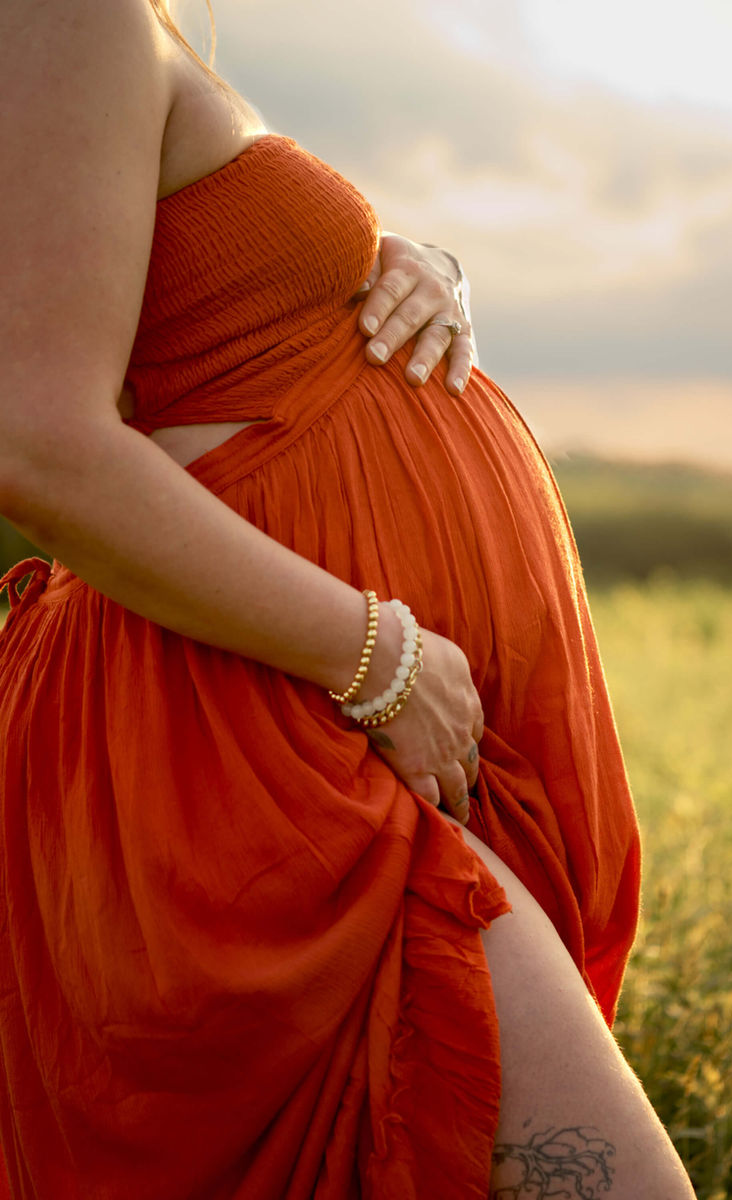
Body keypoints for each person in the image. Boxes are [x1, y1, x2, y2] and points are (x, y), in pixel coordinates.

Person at [0, 1, 696, 1197]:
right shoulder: (61, 11)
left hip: (316, 720)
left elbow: (157, 300)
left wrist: (395, 263)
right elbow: (39, 440)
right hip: (271, 736)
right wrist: (374, 657)